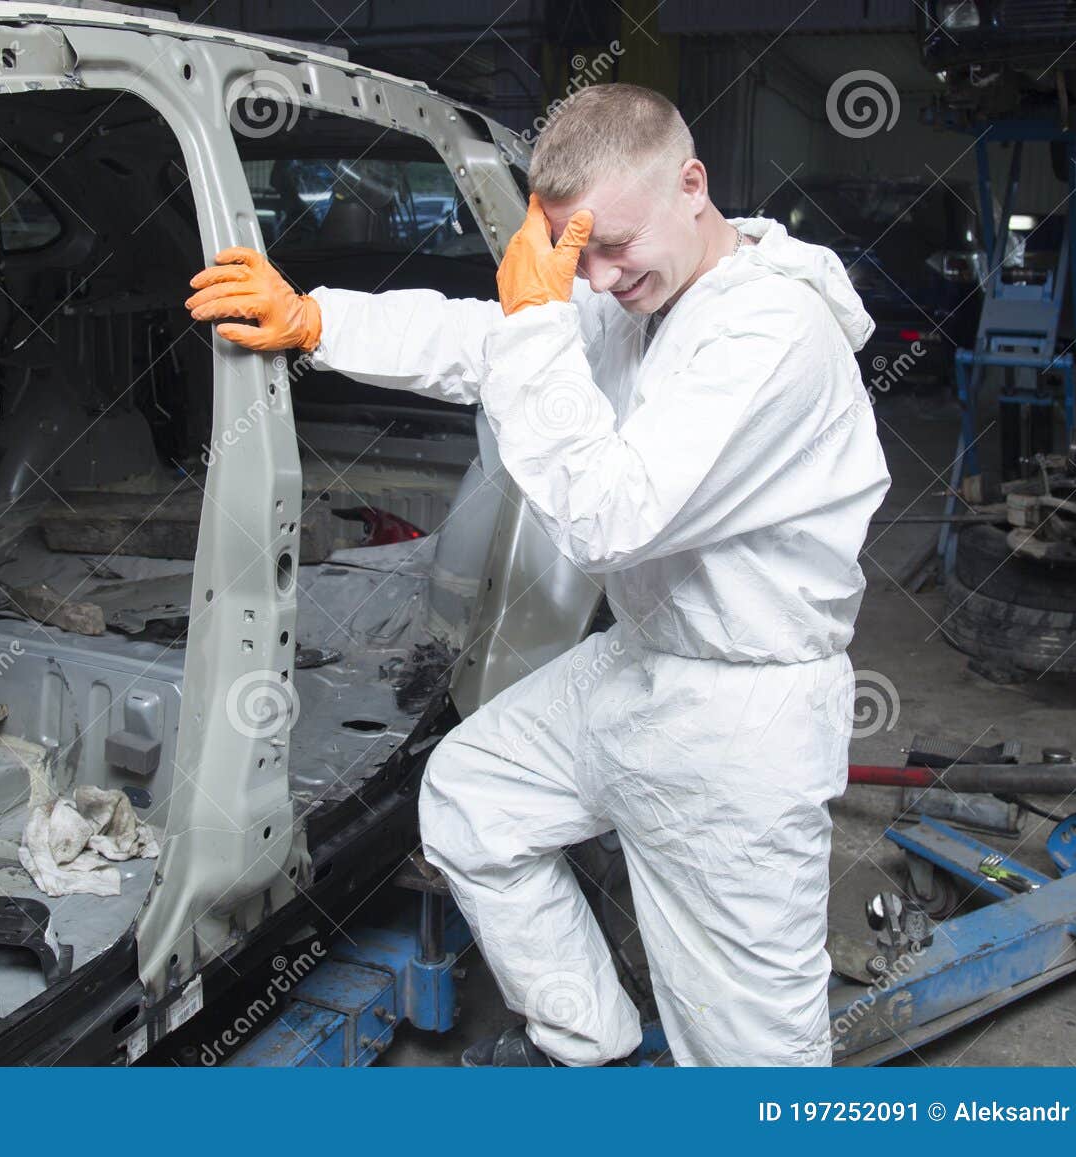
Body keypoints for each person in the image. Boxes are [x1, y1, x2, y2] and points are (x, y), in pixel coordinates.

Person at [185, 83, 890, 1067]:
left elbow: (611, 514)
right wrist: (313, 317)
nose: (596, 279)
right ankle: (588, 1045)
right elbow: (491, 341)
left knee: (750, 1050)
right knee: (475, 794)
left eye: (613, 246)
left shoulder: (769, 335)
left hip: (742, 718)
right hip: (643, 662)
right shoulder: (650, 294)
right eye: (575, 252)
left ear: (692, 184)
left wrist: (531, 322)